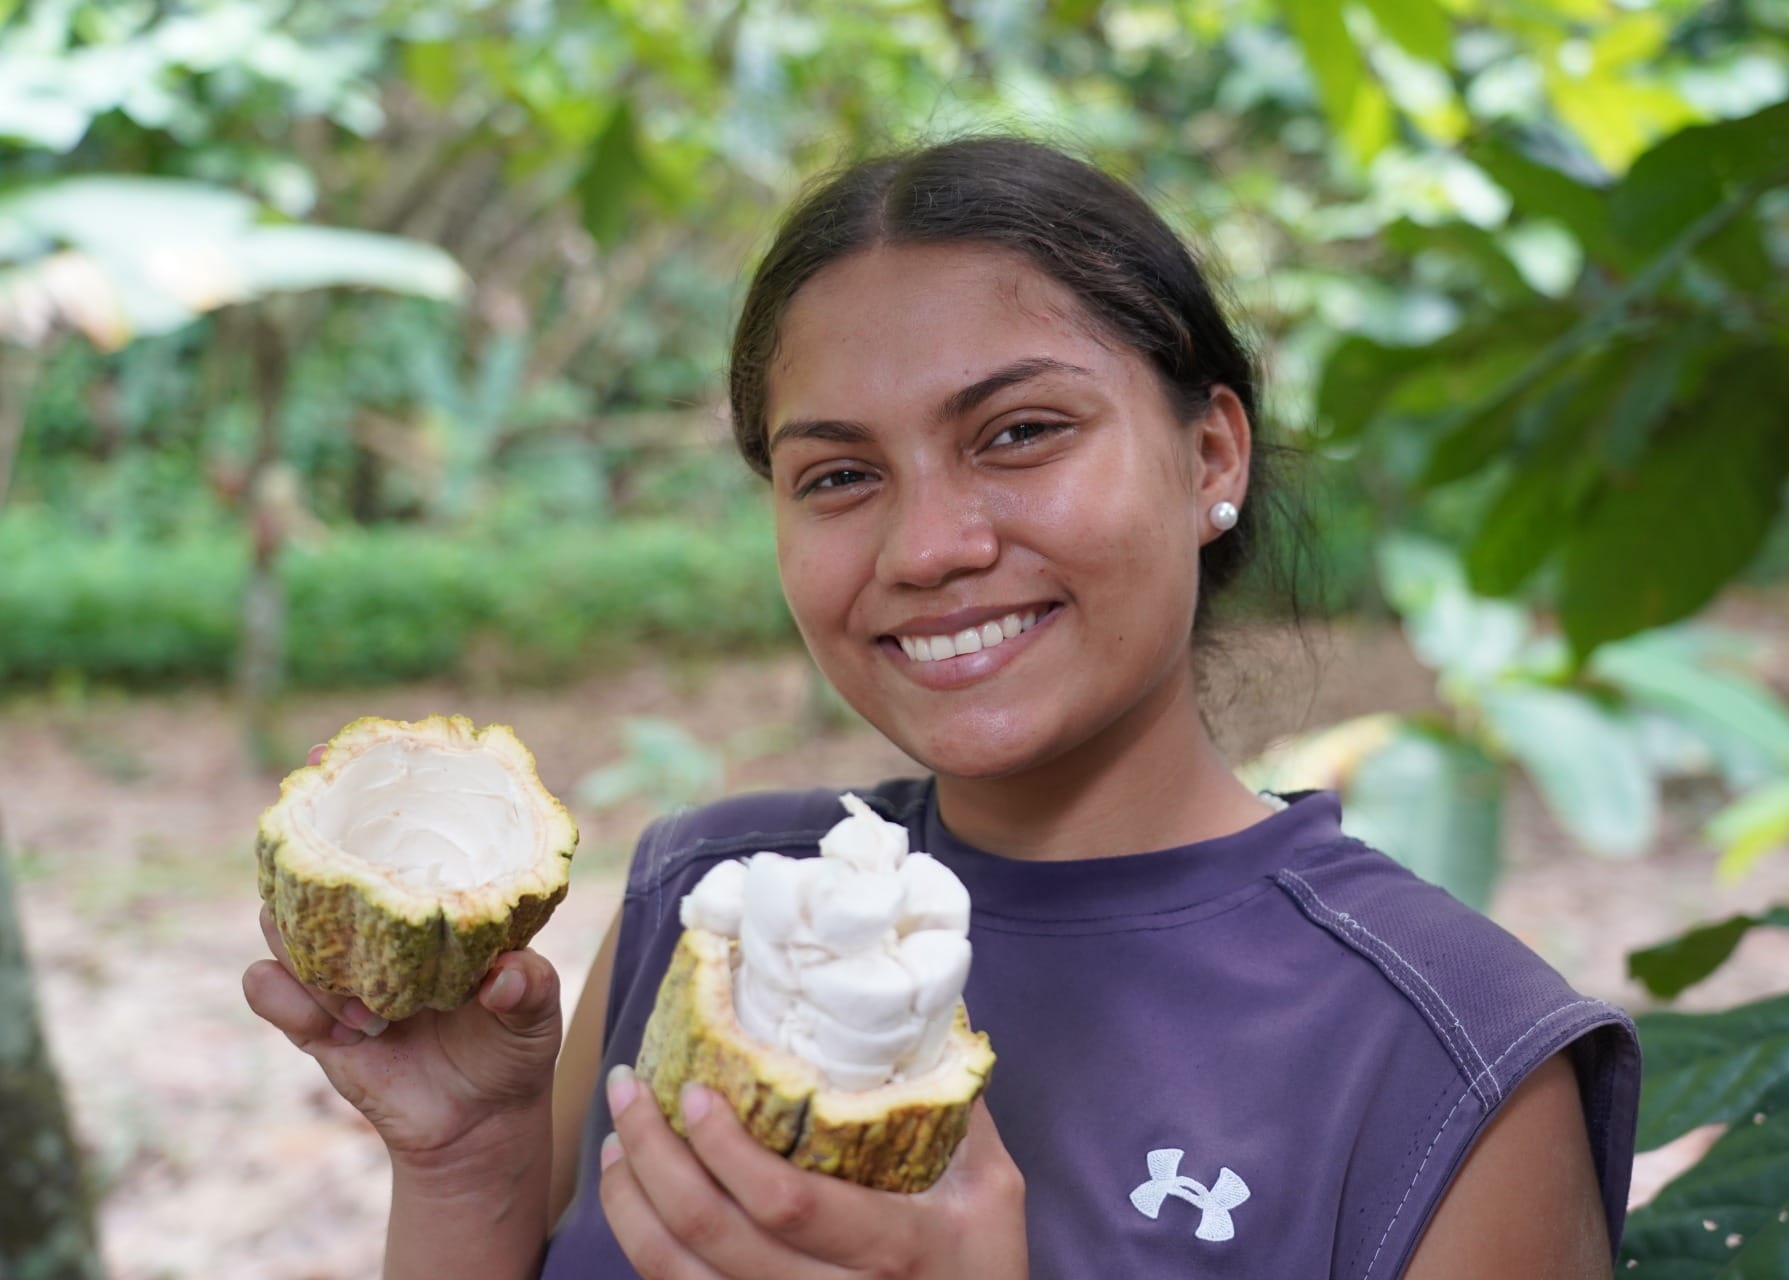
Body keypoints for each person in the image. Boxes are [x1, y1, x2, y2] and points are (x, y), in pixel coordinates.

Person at [245, 136, 1639, 1279]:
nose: (928, 546)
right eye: (840, 475)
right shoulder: (706, 907)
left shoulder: (1451, 1061)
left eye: (1019, 434)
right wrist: (465, 1169)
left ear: (1211, 453)